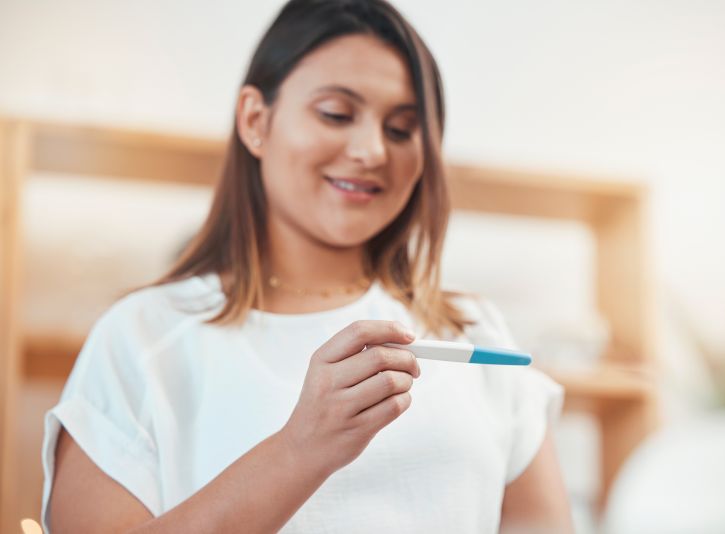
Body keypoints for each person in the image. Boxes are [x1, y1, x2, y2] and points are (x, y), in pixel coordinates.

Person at [41, 0, 572, 532]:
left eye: (402, 129)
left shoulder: (475, 333)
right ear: (255, 120)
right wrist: (301, 449)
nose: (371, 150)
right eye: (337, 114)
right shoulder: (142, 338)